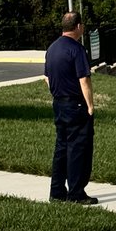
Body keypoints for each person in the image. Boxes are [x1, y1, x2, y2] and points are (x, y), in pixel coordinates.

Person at [44, 10, 97, 204]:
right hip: (76, 104)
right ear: (78, 27)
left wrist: (57, 92)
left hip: (59, 103)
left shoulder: (52, 48)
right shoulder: (77, 50)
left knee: (61, 147)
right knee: (78, 148)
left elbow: (46, 77)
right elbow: (84, 80)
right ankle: (76, 192)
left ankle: (56, 191)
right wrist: (90, 106)